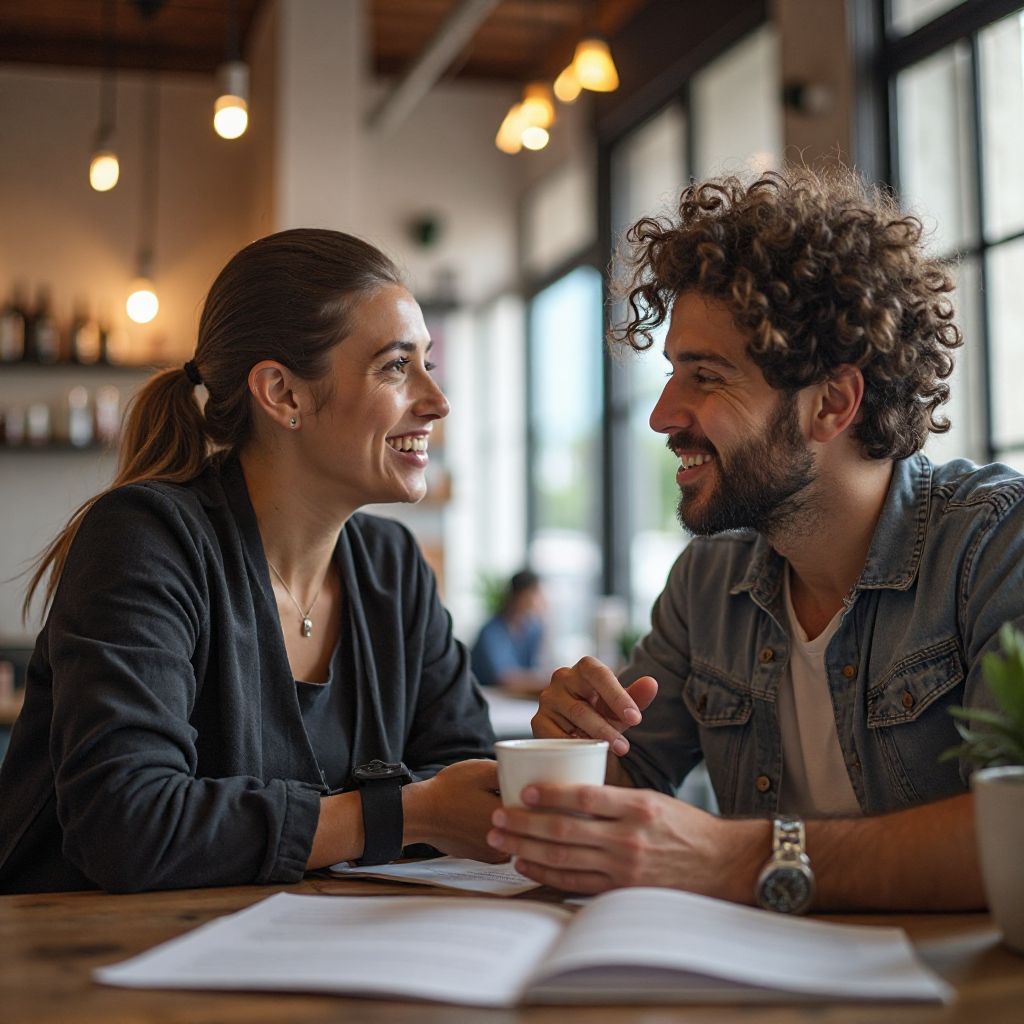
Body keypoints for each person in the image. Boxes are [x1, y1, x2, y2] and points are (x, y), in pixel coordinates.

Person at [486, 166, 1024, 912]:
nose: (664, 415)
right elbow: (629, 787)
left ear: (832, 402)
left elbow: (1015, 835)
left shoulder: (997, 548)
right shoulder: (709, 580)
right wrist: (575, 750)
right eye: (672, 373)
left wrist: (734, 858)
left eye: (705, 377)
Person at [0, 229, 502, 894]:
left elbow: (460, 783)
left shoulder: (394, 567)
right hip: (93, 971)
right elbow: (127, 826)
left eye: (427, 365)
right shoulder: (144, 540)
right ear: (283, 393)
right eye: (394, 366)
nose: (436, 402)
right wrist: (399, 813)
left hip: (315, 961)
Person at [471, 569, 547, 691]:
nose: (542, 601)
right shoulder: (492, 631)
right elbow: (505, 678)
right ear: (519, 596)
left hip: (513, 699)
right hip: (488, 696)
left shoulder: (533, 629)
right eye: (536, 594)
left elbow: (532, 670)